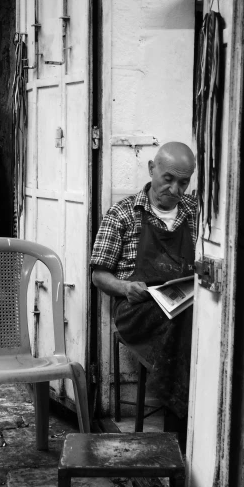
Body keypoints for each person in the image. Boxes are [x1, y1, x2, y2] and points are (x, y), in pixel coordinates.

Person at [90, 141, 197, 437]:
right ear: (152, 169)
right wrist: (125, 287)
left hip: (182, 304)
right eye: (168, 179)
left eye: (183, 183)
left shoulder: (194, 212)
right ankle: (177, 431)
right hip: (136, 308)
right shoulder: (123, 213)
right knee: (182, 324)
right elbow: (99, 276)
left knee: (187, 318)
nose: (175, 190)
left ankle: (185, 424)